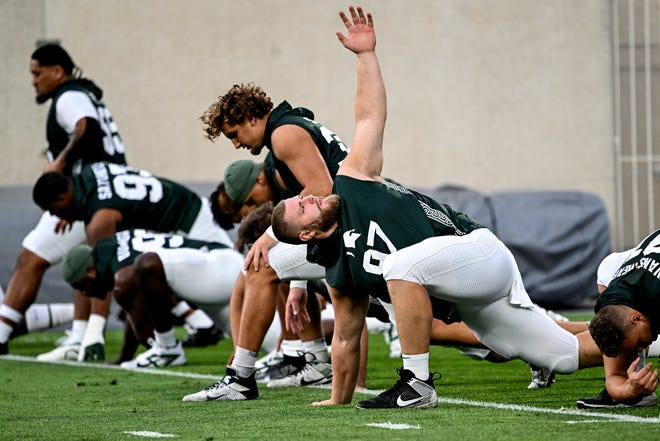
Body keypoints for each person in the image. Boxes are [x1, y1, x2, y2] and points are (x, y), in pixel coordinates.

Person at [270, 6, 603, 408]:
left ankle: (417, 384)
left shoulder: (352, 179)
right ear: (306, 234)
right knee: (565, 355)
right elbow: (344, 337)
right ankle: (649, 337)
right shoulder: (339, 271)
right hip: (468, 299)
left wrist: (365, 56)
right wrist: (337, 401)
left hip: (478, 253)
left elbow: (369, 117)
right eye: (301, 206)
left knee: (400, 266)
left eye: (302, 195)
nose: (309, 195)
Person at [181, 75, 350, 401]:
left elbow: (322, 192)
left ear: (251, 118)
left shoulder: (284, 134)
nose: (236, 144)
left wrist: (270, 236)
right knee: (271, 266)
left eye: (234, 134)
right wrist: (298, 283)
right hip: (345, 228)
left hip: (352, 231)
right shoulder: (286, 130)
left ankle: (241, 377)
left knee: (261, 264)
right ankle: (313, 359)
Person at [31, 161, 234, 361]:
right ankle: (197, 326)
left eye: (53, 208)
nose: (53, 215)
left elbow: (107, 276)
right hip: (184, 212)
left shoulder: (101, 219)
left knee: (234, 293)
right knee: (150, 278)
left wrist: (94, 335)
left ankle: (192, 338)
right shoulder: (90, 172)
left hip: (193, 223)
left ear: (64, 197)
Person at [0, 44, 127, 357]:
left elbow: (88, 128)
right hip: (108, 190)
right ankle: (81, 336)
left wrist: (62, 166)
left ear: (57, 71)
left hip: (88, 194)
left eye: (37, 73)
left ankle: (1, 333)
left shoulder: (69, 96)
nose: (33, 81)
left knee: (31, 258)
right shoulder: (84, 93)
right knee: (84, 260)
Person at [58, 229, 243, 368]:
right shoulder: (116, 248)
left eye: (81, 286)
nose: (83, 294)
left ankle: (169, 348)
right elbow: (133, 306)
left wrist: (155, 343)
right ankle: (174, 343)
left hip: (217, 271)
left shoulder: (121, 276)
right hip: (223, 262)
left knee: (131, 282)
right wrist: (124, 357)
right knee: (265, 345)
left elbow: (142, 327)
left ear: (91, 271)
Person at [576, 231, 660, 408]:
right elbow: (614, 377)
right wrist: (629, 389)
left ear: (637, 318)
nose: (641, 349)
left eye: (638, 343)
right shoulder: (610, 307)